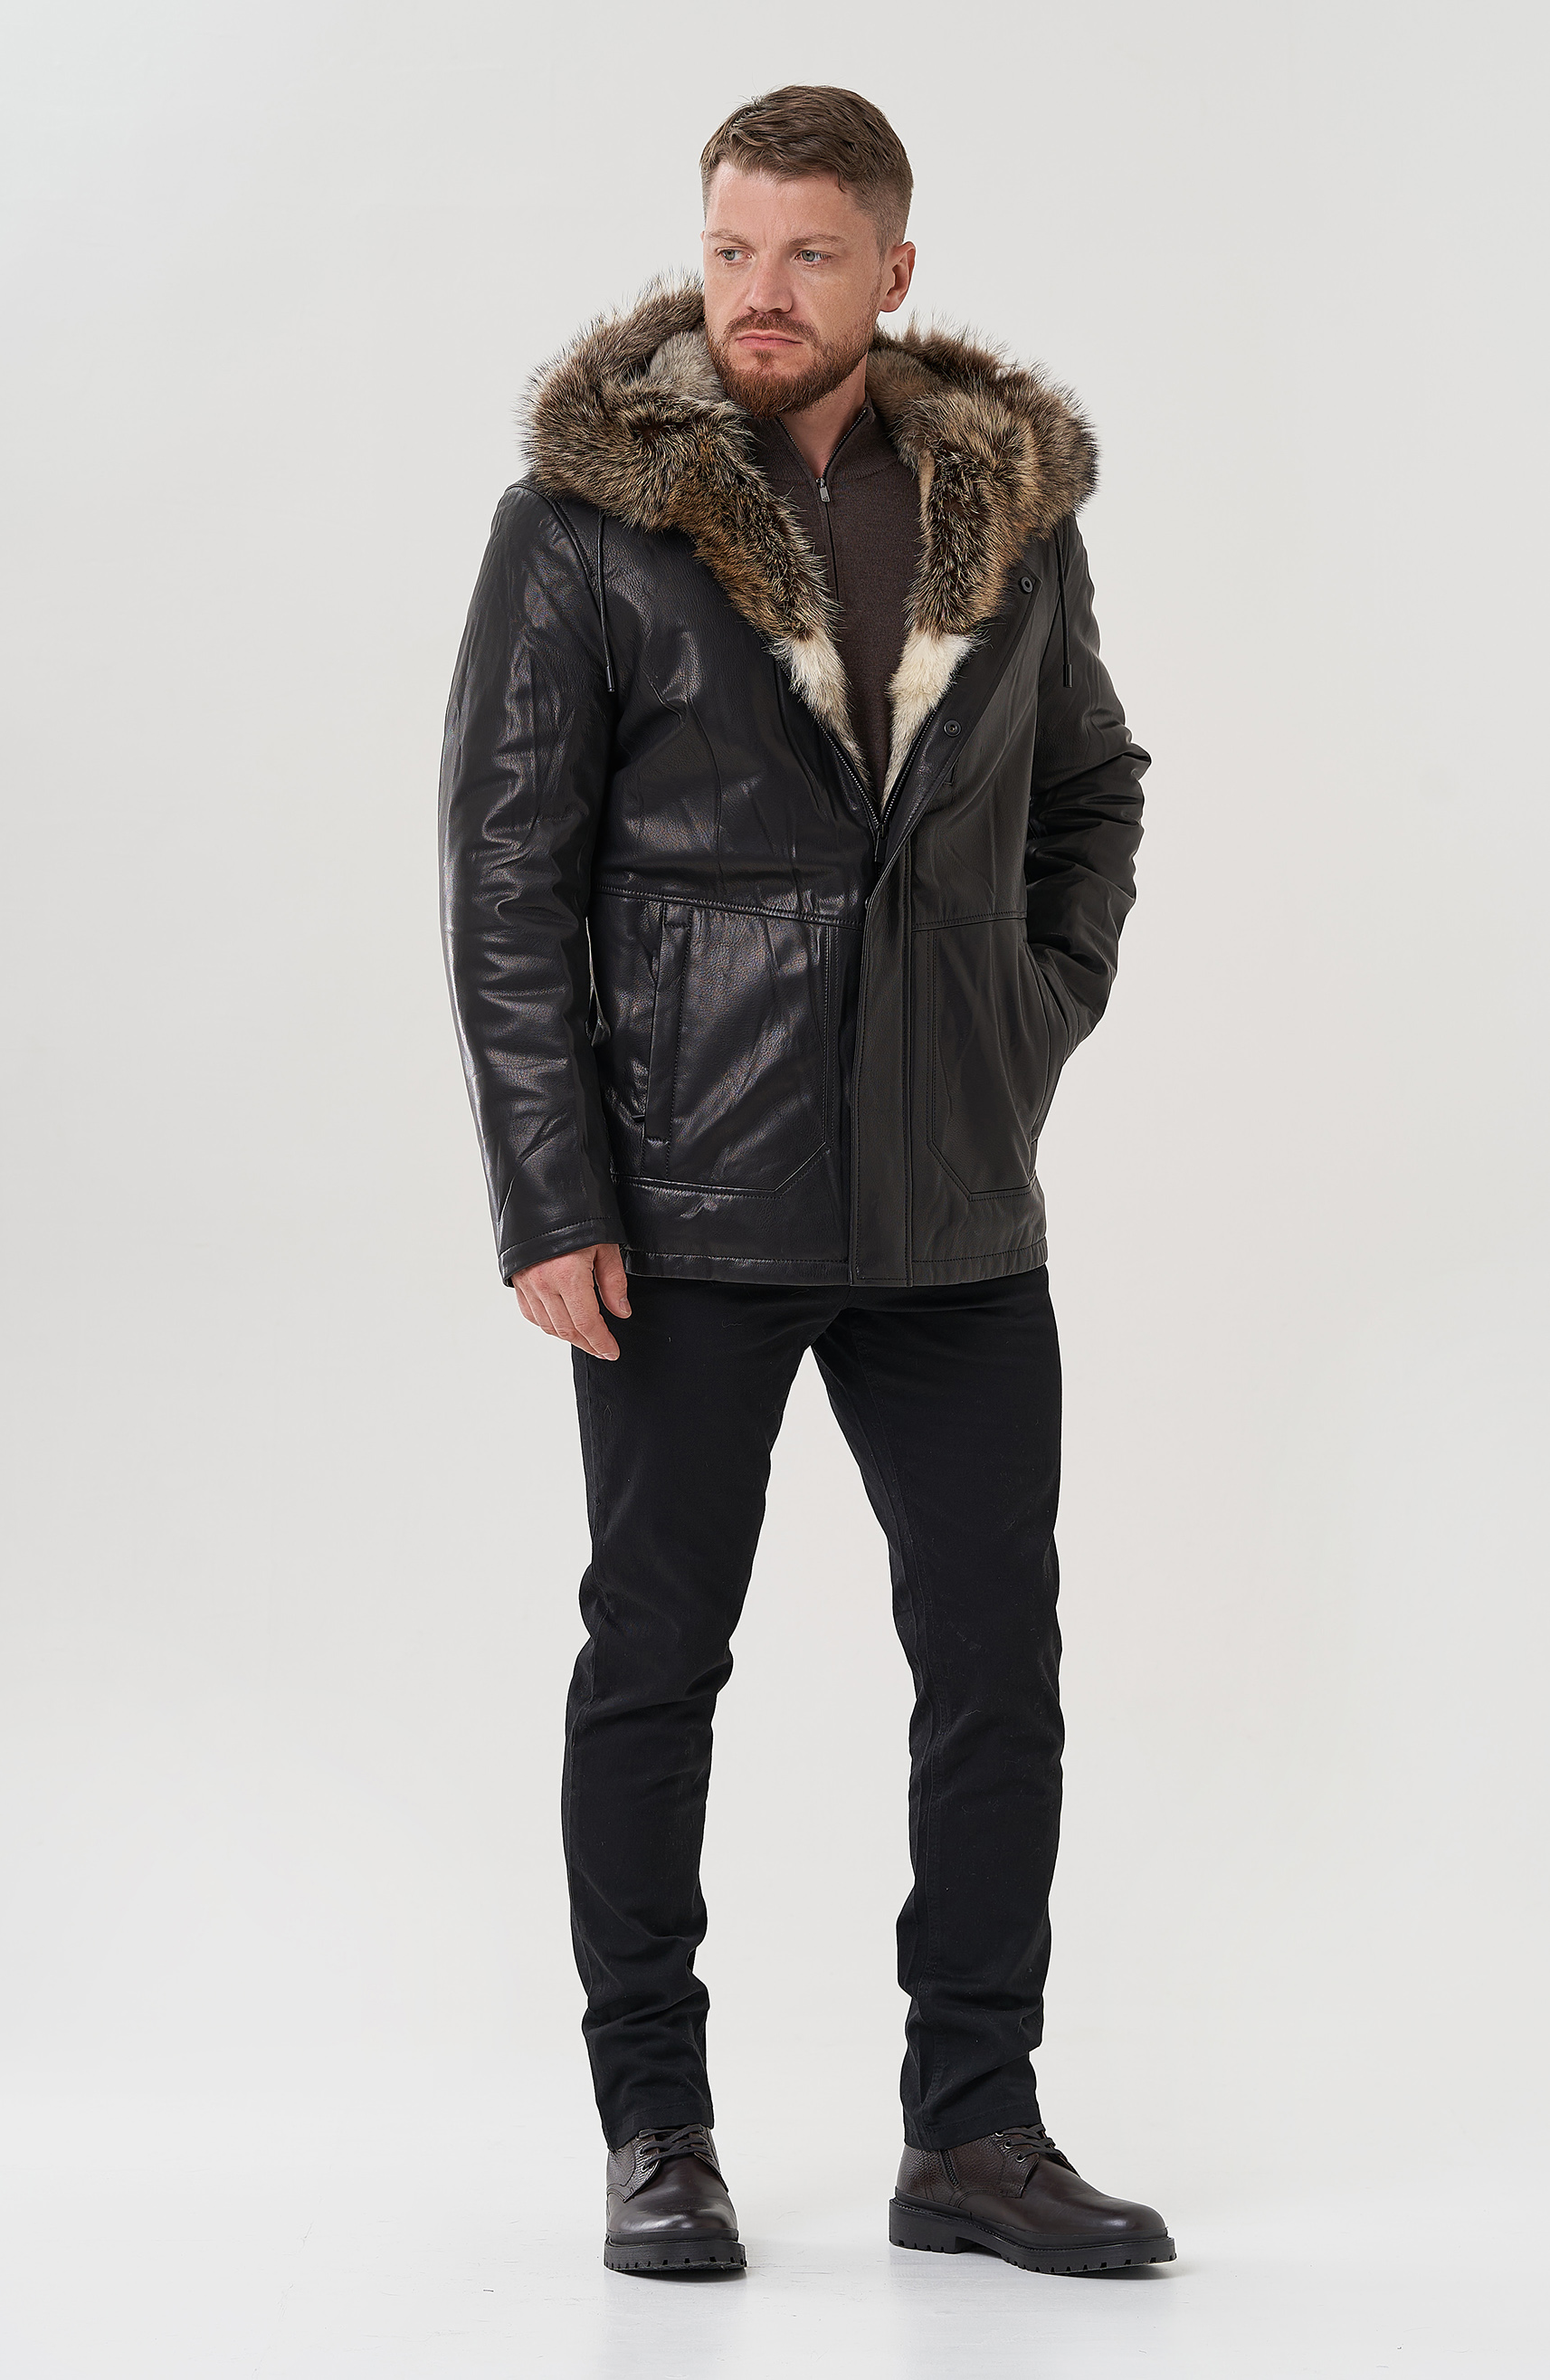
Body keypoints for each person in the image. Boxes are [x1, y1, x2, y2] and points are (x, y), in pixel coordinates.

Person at [439, 83, 1169, 2280]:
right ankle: (656, 2127)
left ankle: (975, 2130)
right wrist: (552, 1190)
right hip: (684, 1195)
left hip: (953, 1201)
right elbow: (506, 877)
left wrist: (1025, 1009)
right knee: (656, 1656)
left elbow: (1091, 788)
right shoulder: (583, 525)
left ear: (893, 271)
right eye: (734, 248)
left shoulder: (1003, 519)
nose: (760, 294)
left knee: (995, 1666)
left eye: (809, 256)